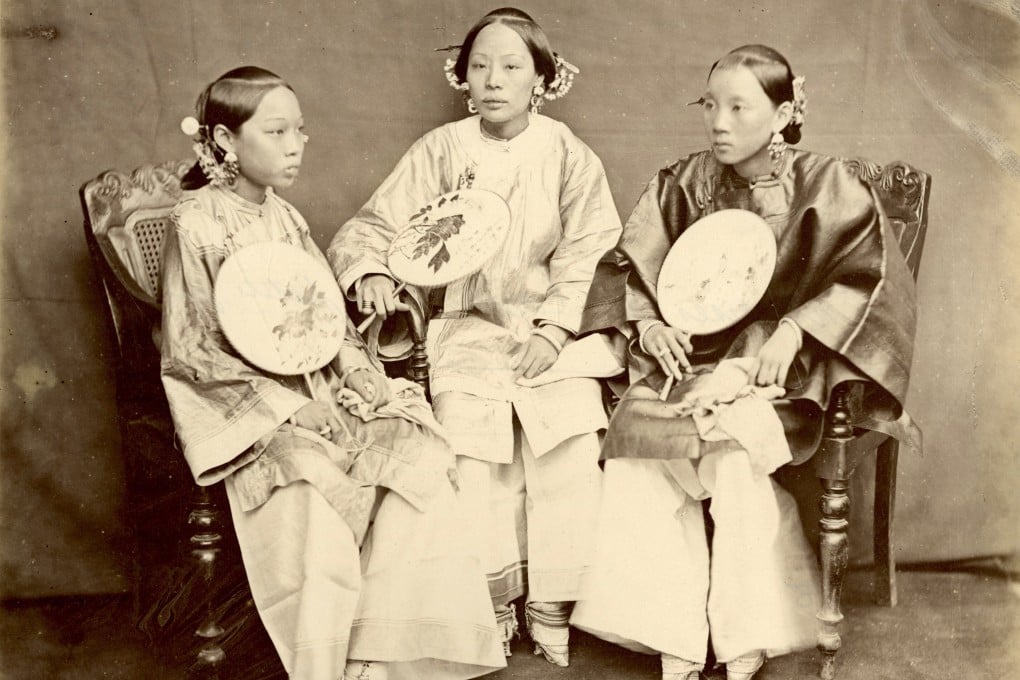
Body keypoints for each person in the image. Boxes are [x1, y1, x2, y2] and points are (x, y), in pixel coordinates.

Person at [570, 45, 918, 680]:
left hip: (789, 371)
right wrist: (648, 327)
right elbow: (629, 264)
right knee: (642, 447)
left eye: (739, 107)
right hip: (690, 358)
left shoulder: (828, 183)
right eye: (710, 105)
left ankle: (741, 633)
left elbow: (869, 279)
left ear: (784, 112)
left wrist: (795, 329)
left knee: (730, 452)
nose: (718, 123)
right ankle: (667, 627)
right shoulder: (683, 182)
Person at [160, 66, 506, 680]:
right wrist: (290, 408)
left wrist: (353, 367)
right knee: (312, 477)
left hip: (314, 384)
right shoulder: (196, 223)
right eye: (276, 131)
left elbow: (326, 317)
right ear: (224, 141)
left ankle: (387, 650)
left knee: (416, 450)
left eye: (300, 129)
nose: (296, 145)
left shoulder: (286, 219)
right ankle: (324, 664)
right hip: (246, 404)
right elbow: (193, 348)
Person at [327, 8, 622, 667]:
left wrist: (554, 326)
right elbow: (370, 226)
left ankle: (552, 600)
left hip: (552, 329)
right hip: (468, 327)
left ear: (540, 79)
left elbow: (590, 249)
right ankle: (487, 604)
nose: (493, 79)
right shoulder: (440, 151)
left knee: (569, 436)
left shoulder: (568, 153)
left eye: (512, 66)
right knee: (473, 445)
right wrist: (373, 271)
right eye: (480, 65)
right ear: (462, 76)